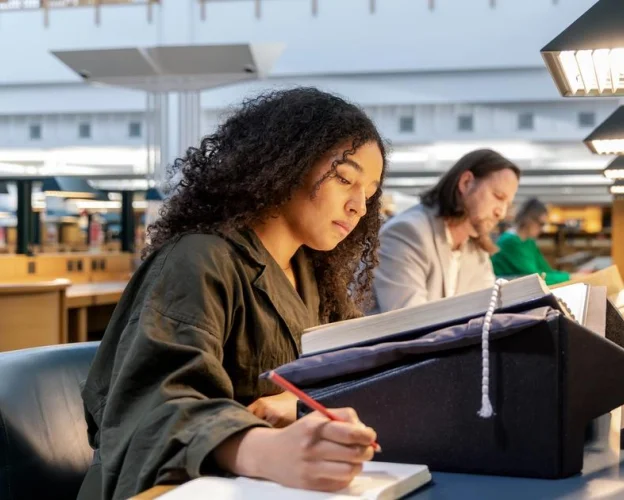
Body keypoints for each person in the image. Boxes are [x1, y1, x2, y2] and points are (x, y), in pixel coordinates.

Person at [78, 87, 387, 500]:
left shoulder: (314, 280)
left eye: (368, 194)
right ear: (285, 162)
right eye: (345, 178)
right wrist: (266, 448)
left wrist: (297, 404)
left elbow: (346, 374)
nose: (359, 207)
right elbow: (154, 409)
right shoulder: (199, 259)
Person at [372, 149, 520, 312]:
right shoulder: (407, 233)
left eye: (508, 204)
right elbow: (409, 323)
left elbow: (488, 314)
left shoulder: (476, 251)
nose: (502, 213)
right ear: (466, 183)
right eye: (498, 197)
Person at [491, 198, 571, 285]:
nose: (542, 229)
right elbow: (535, 277)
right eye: (541, 224)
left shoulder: (528, 241)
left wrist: (568, 276)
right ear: (528, 219)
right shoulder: (509, 242)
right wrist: (568, 277)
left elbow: (546, 270)